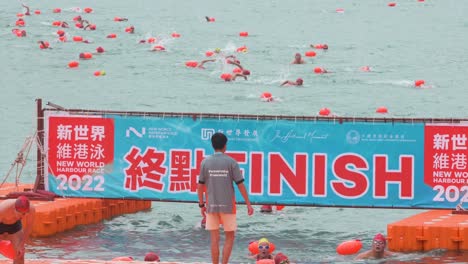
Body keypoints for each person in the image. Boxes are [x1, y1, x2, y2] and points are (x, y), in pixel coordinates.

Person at [197, 132, 254, 264]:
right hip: (228, 206)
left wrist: (201, 204)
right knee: (229, 238)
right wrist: (248, 204)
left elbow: (200, 186)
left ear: (212, 145)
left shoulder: (205, 162)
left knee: (214, 239)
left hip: (212, 205)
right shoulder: (231, 162)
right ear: (225, 146)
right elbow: (240, 185)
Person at [0, 196, 35, 264]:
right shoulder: (3, 209)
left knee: (19, 254)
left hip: (14, 226)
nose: (23, 216)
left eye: (25, 214)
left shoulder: (31, 209)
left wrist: (21, 245)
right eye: (20, 214)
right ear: (14, 209)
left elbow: (29, 227)